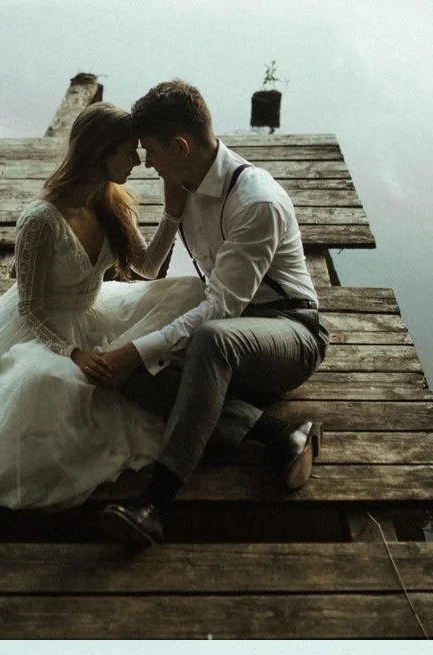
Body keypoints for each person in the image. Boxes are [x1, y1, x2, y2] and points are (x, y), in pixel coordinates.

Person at [0, 104, 205, 510]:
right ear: (100, 153)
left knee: (191, 295)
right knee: (49, 382)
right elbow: (30, 307)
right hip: (46, 325)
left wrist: (172, 214)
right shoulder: (41, 220)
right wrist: (73, 353)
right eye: (128, 152)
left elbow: (146, 268)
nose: (138, 162)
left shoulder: (112, 202)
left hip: (96, 308)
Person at [97, 79, 329, 549]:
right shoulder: (185, 184)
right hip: (233, 331)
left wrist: (138, 349)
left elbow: (219, 311)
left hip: (290, 334)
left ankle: (155, 504)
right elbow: (146, 269)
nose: (146, 163)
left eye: (151, 152)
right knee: (132, 374)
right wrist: (171, 214)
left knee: (208, 340)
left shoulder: (254, 201)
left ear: (179, 146)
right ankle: (278, 433)